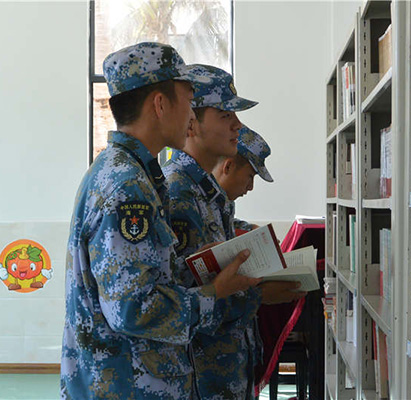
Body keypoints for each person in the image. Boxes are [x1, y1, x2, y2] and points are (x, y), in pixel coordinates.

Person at [60, 43, 261, 400]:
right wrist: (215, 295)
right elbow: (132, 309)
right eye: (188, 100)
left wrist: (198, 265)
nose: (191, 115)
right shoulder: (127, 188)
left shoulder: (128, 173)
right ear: (160, 104)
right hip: (128, 387)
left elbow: (146, 278)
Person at [163, 65, 305, 399]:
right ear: (191, 121)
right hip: (202, 378)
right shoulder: (177, 193)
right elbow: (181, 301)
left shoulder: (207, 193)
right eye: (226, 115)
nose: (238, 125)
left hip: (225, 372)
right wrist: (259, 295)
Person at [212, 125, 273, 233]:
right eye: (250, 176)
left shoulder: (222, 200)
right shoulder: (191, 194)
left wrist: (250, 229)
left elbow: (221, 223)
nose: (250, 187)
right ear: (228, 167)